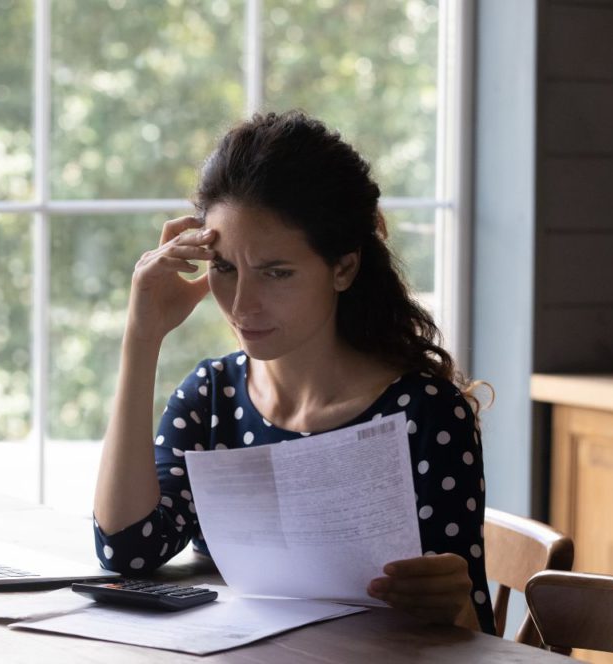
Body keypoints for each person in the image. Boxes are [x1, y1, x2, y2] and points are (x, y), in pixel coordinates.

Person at [92, 110, 495, 634]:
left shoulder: (424, 413)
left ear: (343, 268)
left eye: (276, 273)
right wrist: (141, 339)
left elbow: (475, 630)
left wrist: (453, 601)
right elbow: (126, 550)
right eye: (224, 268)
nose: (242, 305)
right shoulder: (211, 398)